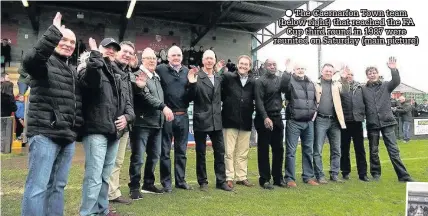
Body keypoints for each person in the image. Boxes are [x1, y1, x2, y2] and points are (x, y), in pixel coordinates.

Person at [21, 12, 84, 216]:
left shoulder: (72, 71)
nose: (67, 44)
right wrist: (53, 33)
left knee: (57, 187)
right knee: (38, 188)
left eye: (72, 42)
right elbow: (31, 60)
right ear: (55, 40)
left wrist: (75, 130)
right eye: (63, 39)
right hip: (45, 135)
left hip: (66, 137)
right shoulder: (44, 63)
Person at [78, 37, 135, 216]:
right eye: (107, 48)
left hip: (113, 132)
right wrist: (95, 56)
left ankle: (101, 210)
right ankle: (88, 213)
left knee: (104, 176)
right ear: (98, 49)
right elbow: (91, 82)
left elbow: (125, 101)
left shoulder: (115, 73)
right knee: (94, 177)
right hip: (95, 129)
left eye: (113, 48)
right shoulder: (89, 66)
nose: (111, 50)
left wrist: (127, 117)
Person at [128, 48, 174, 199]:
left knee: (154, 156)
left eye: (154, 58)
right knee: (138, 157)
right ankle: (134, 187)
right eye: (148, 58)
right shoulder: (138, 75)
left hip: (157, 123)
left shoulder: (156, 77)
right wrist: (163, 107)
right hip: (141, 124)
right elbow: (145, 97)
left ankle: (148, 183)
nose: (152, 60)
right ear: (142, 60)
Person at [361, 57, 413, 182]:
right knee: (373, 151)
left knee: (393, 150)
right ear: (367, 76)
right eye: (369, 73)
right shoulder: (363, 89)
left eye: (374, 72)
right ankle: (375, 174)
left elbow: (396, 80)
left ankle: (403, 176)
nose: (372, 75)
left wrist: (393, 69)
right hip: (372, 123)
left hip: (387, 122)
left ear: (378, 74)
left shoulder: (386, 86)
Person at [187, 50, 232, 192]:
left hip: (217, 120)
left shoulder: (219, 78)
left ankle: (221, 181)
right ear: (202, 60)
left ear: (214, 60)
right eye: (207, 58)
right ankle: (203, 182)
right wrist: (192, 84)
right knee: (201, 153)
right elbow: (189, 97)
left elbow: (223, 96)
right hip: (201, 120)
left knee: (220, 152)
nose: (209, 61)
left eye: (211, 58)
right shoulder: (196, 76)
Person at [156, 46, 193, 193]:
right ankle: (166, 183)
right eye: (173, 55)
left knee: (181, 151)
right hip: (167, 116)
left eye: (178, 55)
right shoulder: (161, 69)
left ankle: (180, 181)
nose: (176, 57)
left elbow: (191, 96)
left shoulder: (187, 72)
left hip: (183, 115)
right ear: (168, 57)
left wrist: (193, 84)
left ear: (182, 57)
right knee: (165, 151)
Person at [107, 41, 138, 205]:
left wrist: (128, 117)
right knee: (107, 162)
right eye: (124, 51)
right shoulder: (109, 69)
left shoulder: (127, 73)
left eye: (130, 53)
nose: (127, 55)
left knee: (118, 161)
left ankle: (113, 193)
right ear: (117, 52)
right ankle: (104, 195)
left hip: (125, 123)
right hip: (112, 124)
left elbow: (128, 100)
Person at [280, 60, 319, 187]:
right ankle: (290, 178)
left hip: (308, 122)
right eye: (298, 68)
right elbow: (283, 86)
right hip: (294, 122)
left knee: (308, 150)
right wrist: (286, 70)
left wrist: (314, 113)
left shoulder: (311, 83)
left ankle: (308, 176)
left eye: (302, 68)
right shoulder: (290, 81)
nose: (300, 70)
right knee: (291, 151)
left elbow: (314, 100)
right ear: (294, 70)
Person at [220, 55, 256, 188]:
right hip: (229, 119)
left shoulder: (253, 82)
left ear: (250, 67)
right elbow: (219, 89)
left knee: (243, 151)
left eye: (246, 64)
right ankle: (229, 177)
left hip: (246, 120)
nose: (243, 66)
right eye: (241, 63)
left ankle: (241, 176)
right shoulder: (228, 77)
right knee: (229, 151)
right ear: (237, 64)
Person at [254, 59, 286, 189]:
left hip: (277, 118)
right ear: (265, 66)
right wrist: (265, 117)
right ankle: (264, 179)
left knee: (279, 149)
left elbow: (287, 88)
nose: (272, 66)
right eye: (270, 65)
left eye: (274, 64)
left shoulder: (279, 80)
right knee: (263, 150)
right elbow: (259, 101)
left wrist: (288, 71)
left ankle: (278, 178)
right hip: (264, 119)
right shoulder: (260, 81)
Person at [313, 63, 346, 184]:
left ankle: (334, 174)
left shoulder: (338, 84)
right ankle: (320, 175)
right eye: (326, 71)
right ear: (321, 72)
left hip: (335, 121)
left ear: (333, 73)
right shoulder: (315, 84)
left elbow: (346, 91)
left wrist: (343, 78)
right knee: (318, 149)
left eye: (330, 71)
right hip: (320, 120)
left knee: (336, 149)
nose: (328, 73)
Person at [338, 66, 369, 181]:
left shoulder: (361, 88)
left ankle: (363, 173)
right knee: (344, 148)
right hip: (344, 122)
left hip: (357, 122)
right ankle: (345, 172)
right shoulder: (339, 87)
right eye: (347, 74)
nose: (349, 76)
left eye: (351, 74)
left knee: (360, 149)